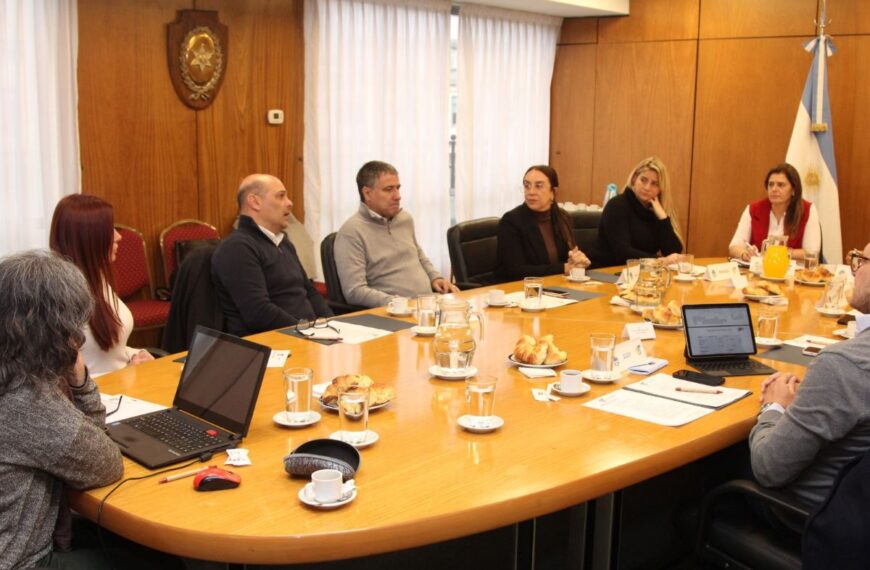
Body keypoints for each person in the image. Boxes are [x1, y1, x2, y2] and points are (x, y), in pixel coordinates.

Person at [0, 250, 124, 569]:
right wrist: (81, 382)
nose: (78, 336)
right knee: (162, 560)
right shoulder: (27, 400)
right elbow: (106, 465)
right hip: (20, 562)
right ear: (54, 331)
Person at [750, 241, 870, 512]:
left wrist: (774, 407)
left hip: (814, 519)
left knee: (719, 463)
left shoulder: (843, 364)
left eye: (862, 262)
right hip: (855, 517)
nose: (853, 272)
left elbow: (768, 469)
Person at [212, 174, 331, 337]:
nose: (289, 203)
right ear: (255, 202)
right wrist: (307, 332)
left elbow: (309, 292)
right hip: (271, 343)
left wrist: (334, 325)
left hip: (305, 335)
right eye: (281, 196)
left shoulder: (283, 242)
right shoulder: (237, 248)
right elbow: (258, 312)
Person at [50, 194, 154, 376]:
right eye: (109, 230)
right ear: (88, 237)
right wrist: (125, 374)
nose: (118, 236)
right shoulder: (58, 296)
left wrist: (135, 354)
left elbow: (106, 353)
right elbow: (67, 381)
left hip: (121, 388)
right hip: (100, 397)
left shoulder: (95, 276)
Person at [334, 161, 458, 308]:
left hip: (427, 304)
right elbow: (354, 291)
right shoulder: (351, 232)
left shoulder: (405, 219)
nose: (398, 196)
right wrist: (401, 304)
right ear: (367, 193)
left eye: (398, 188)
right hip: (393, 314)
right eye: (389, 189)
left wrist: (435, 277)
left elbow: (418, 255)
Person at [495, 165, 591, 281]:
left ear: (553, 192)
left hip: (556, 286)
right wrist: (564, 268)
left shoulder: (563, 217)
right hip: (519, 290)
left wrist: (578, 261)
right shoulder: (511, 221)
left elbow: (570, 256)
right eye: (527, 186)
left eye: (538, 186)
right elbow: (516, 271)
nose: (531, 192)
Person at [589, 156, 684, 267]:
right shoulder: (617, 205)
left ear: (660, 189)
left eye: (654, 184)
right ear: (634, 179)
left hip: (640, 275)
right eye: (643, 180)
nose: (647, 187)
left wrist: (663, 219)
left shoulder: (655, 211)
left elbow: (673, 252)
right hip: (605, 272)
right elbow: (623, 253)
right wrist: (660, 261)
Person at [728, 163, 821, 262]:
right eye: (770, 184)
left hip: (794, 274)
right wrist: (744, 254)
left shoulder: (808, 210)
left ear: (793, 189)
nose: (774, 189)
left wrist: (782, 252)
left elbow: (812, 252)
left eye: (780, 185)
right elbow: (734, 246)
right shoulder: (753, 209)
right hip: (759, 272)